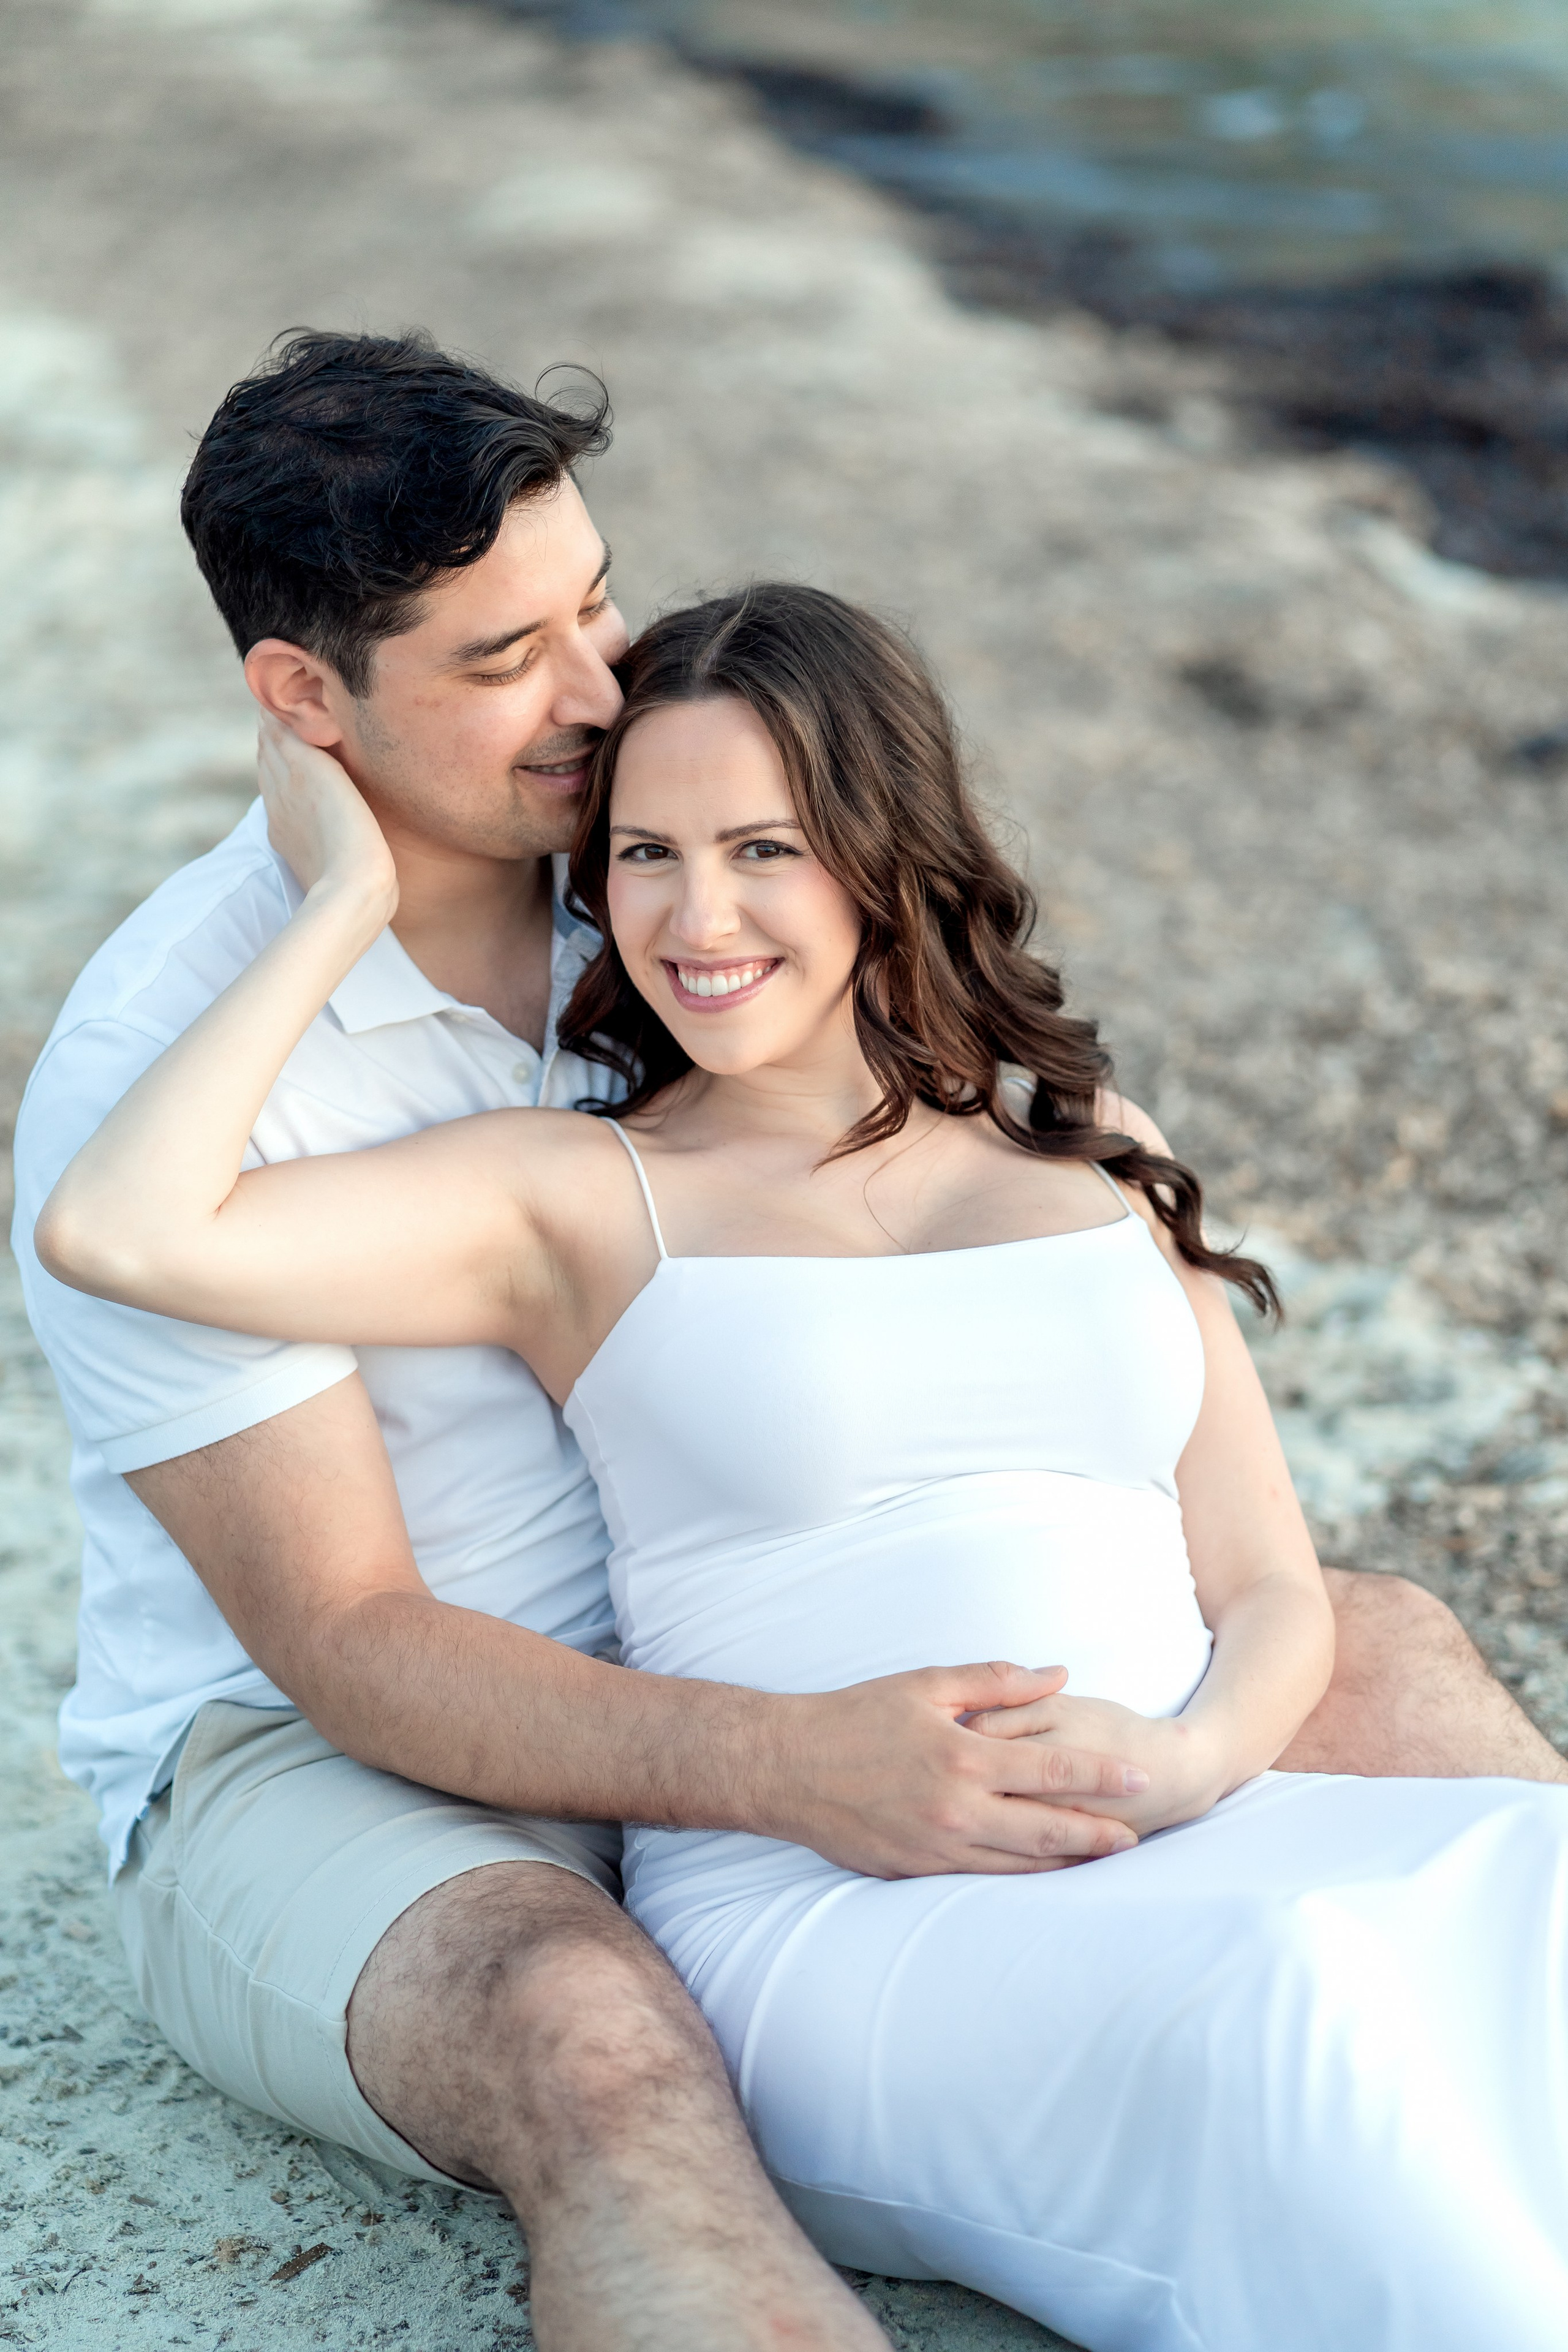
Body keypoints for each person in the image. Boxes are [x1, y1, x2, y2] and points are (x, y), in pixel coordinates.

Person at [11, 332, 1561, 2348]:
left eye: (594, 606)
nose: (593, 695)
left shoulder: (652, 858)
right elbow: (354, 1640)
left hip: (808, 1669)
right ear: (305, 706)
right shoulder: (177, 1062)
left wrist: (1159, 1746)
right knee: (594, 2037)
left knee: (1417, 1681)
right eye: (503, 661)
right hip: (354, 1755)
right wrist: (781, 1769)